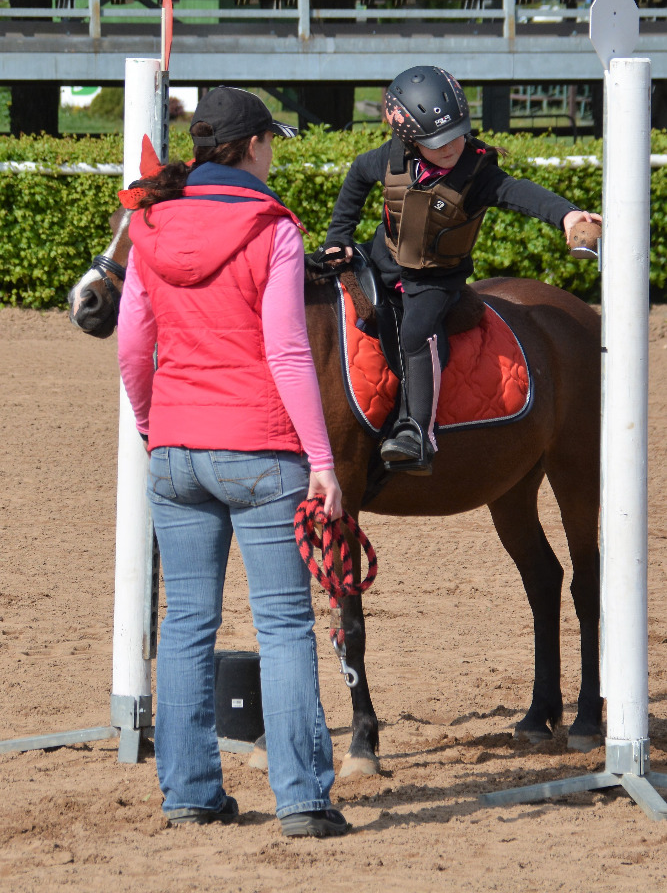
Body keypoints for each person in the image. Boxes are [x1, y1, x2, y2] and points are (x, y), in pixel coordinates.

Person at [117, 86, 350, 838]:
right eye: (271, 142)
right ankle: (304, 800)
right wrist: (323, 458)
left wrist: (157, 427)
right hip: (261, 450)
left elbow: (130, 345)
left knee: (185, 623)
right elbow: (286, 350)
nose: (273, 153)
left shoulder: (148, 220)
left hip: (176, 449)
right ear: (251, 147)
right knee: (283, 625)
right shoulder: (270, 225)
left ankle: (188, 793)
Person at [317, 65, 602, 476]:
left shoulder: (478, 173)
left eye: (456, 135)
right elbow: (358, 176)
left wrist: (567, 215)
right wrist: (338, 234)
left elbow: (519, 192)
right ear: (409, 137)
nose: (450, 147)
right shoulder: (390, 157)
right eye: (436, 141)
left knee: (416, 333)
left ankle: (418, 430)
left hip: (434, 279)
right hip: (379, 261)